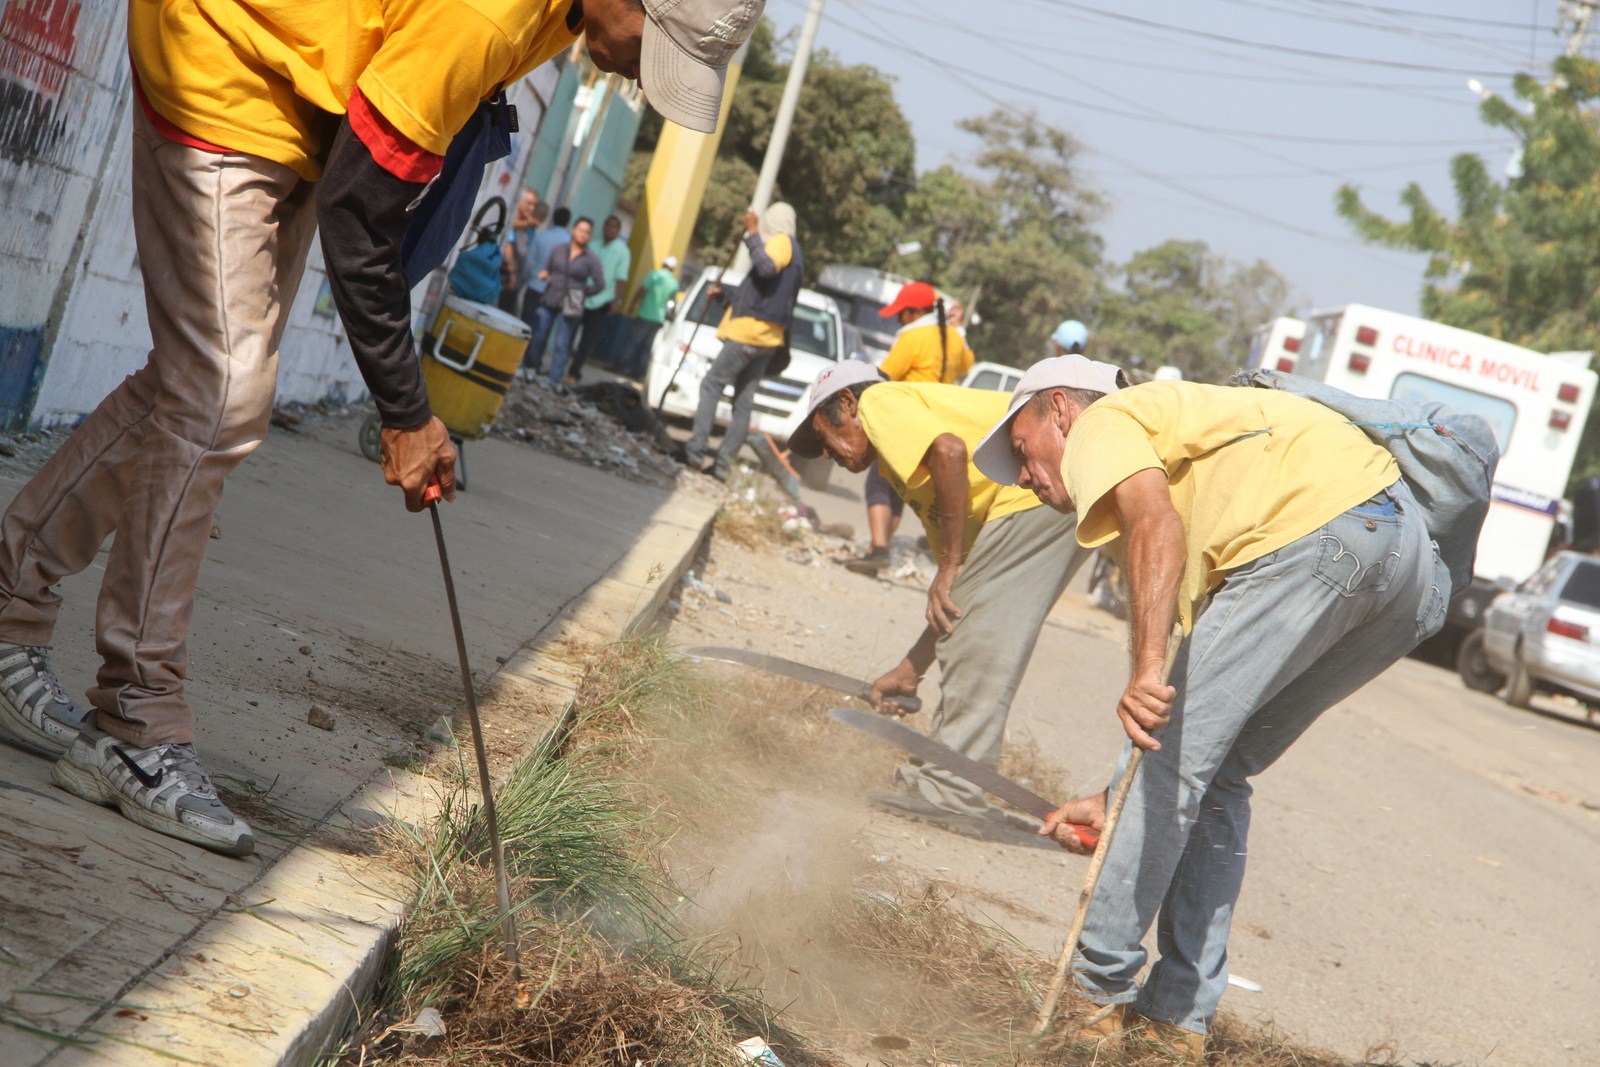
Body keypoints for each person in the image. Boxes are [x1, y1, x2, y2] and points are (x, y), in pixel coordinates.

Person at [0, 0, 762, 858]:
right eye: (647, 49)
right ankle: (133, 727)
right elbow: (360, 218)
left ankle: (8, 595)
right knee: (220, 391)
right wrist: (405, 413)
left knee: (198, 388)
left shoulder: (556, 18)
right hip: (221, 55)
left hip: (297, 101)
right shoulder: (492, 16)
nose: (634, 72)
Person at [973, 364, 1459, 1058]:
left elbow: (1153, 523)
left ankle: (1092, 999)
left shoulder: (1107, 420)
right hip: (1407, 564)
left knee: (1171, 755)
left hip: (1323, 531)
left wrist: (1144, 675)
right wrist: (1116, 793)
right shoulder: (1204, 466)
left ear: (1060, 410)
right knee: (1217, 769)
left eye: (1023, 449)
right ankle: (1174, 1022)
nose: (1024, 475)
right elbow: (1199, 718)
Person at [787, 360, 1113, 846]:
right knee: (974, 632)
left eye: (824, 434)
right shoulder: (908, 473)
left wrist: (948, 562)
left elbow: (950, 448)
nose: (828, 455)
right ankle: (943, 777)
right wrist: (910, 668)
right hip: (1035, 500)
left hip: (1036, 493)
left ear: (849, 404)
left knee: (981, 644)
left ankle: (950, 789)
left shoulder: (881, 403)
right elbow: (960, 599)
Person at [847, 280, 976, 576]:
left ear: (917, 311)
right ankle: (877, 550)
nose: (898, 319)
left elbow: (884, 374)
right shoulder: (953, 339)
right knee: (900, 488)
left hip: (904, 419)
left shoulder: (913, 337)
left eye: (902, 313)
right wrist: (960, 330)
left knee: (878, 483)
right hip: (935, 426)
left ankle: (878, 550)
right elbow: (968, 364)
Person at [681, 203, 802, 481]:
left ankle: (695, 452)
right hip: (768, 338)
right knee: (743, 401)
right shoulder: (795, 253)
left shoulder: (782, 242)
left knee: (711, 384)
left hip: (749, 334)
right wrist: (723, 298)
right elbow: (764, 297)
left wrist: (751, 233)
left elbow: (766, 268)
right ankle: (723, 467)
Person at [531, 217, 606, 393]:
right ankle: (531, 368)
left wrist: (582, 294)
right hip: (551, 296)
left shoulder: (591, 258)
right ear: (573, 230)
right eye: (581, 230)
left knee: (562, 343)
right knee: (539, 335)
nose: (583, 234)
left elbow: (600, 283)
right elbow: (547, 269)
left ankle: (554, 380)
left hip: (571, 305)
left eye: (587, 232)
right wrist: (544, 275)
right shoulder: (559, 249)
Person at [569, 215, 632, 382]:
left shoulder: (622, 252)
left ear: (618, 231)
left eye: (614, 227)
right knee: (569, 333)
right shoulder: (593, 246)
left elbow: (621, 278)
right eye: (607, 226)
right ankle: (561, 367)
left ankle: (574, 372)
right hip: (582, 296)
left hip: (602, 301)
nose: (610, 229)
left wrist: (617, 301)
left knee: (587, 341)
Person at [518, 204, 568, 378]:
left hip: (534, 286)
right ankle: (534, 365)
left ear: (552, 218)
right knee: (542, 330)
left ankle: (521, 362)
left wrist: (523, 281)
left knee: (526, 325)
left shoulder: (542, 237)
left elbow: (530, 262)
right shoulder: (569, 243)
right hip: (552, 292)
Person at [621, 255, 681, 380]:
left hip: (645, 314)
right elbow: (671, 303)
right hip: (658, 319)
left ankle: (622, 367)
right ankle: (639, 373)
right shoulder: (674, 284)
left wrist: (632, 304)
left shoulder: (655, 275)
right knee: (647, 346)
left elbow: (642, 290)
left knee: (634, 342)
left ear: (664, 264)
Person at [499, 187, 542, 313]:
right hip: (504, 276)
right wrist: (511, 273)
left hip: (518, 281)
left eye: (535, 205)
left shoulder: (529, 227)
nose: (532, 208)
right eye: (529, 203)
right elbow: (508, 244)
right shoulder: (512, 218)